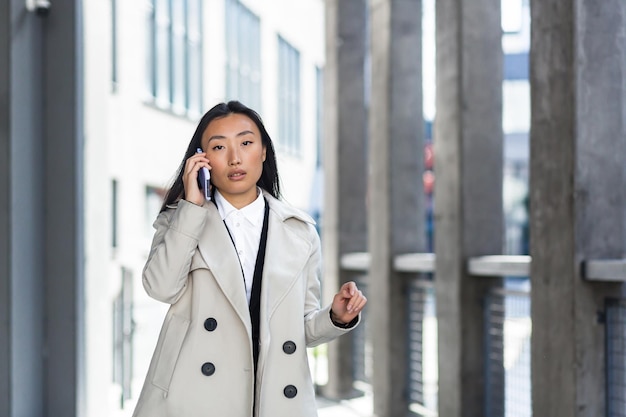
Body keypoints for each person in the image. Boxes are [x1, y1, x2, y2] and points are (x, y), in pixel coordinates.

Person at [132, 101, 367, 417]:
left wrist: (336, 316)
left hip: (275, 399)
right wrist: (192, 207)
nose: (234, 157)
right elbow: (160, 288)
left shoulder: (300, 232)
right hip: (194, 398)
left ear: (264, 151)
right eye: (219, 147)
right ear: (202, 160)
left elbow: (300, 331)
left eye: (245, 143)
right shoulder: (179, 221)